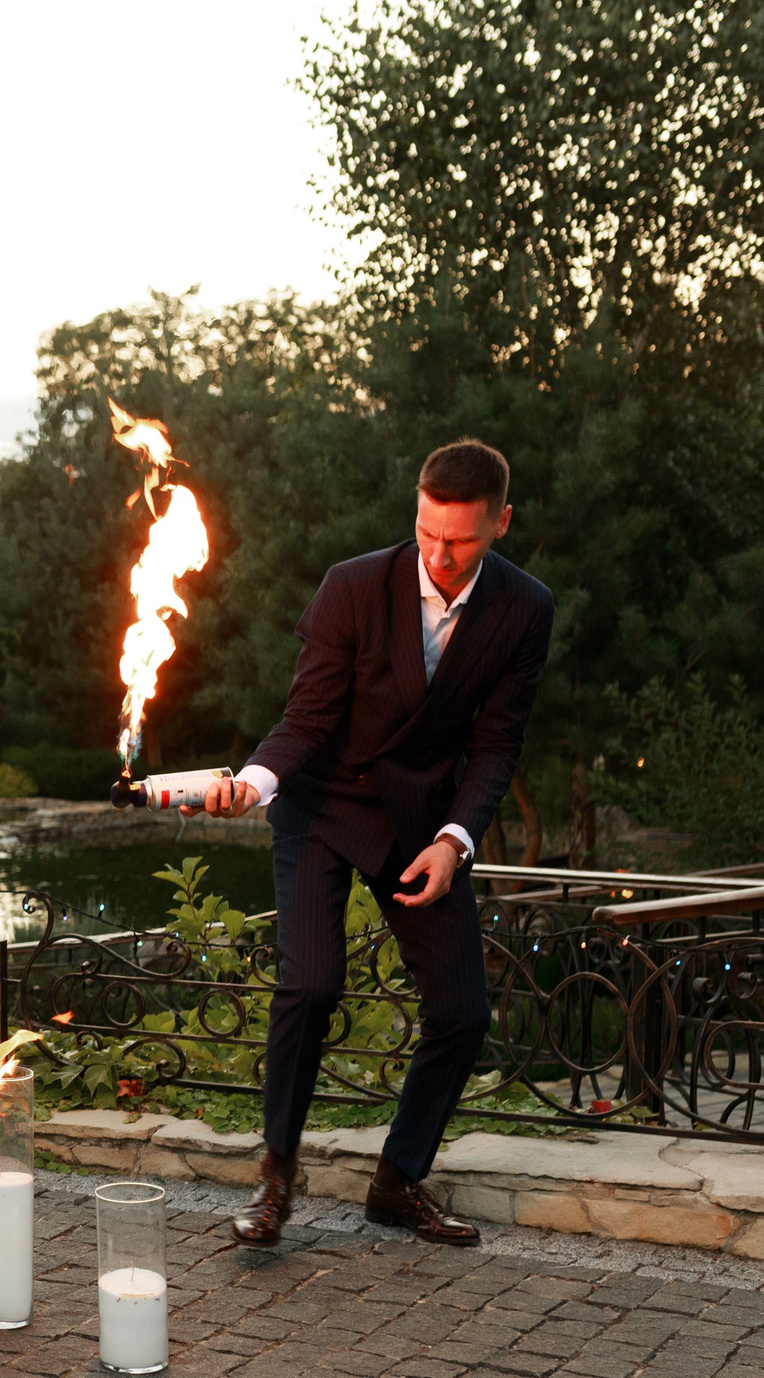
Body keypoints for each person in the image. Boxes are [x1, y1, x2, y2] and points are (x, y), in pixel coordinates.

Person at [195, 439, 552, 1247]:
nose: (439, 554)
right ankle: (275, 1182)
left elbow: (497, 745)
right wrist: (252, 783)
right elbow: (307, 720)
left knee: (462, 1010)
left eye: (459, 540)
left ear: (501, 522)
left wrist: (456, 839)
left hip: (421, 824)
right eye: (427, 532)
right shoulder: (353, 587)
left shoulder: (527, 608)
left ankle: (397, 1182)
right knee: (311, 986)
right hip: (321, 804)